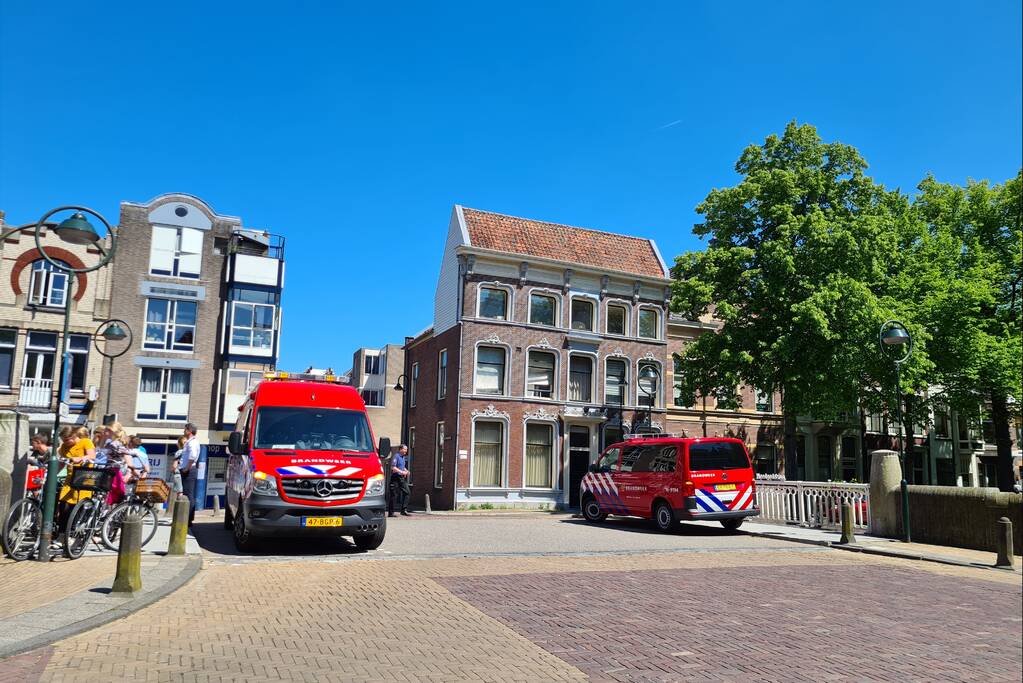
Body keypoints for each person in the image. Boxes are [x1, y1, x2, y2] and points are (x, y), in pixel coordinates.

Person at [178, 423, 201, 526]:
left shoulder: (192, 442)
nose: (183, 431)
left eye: (185, 429)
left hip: (189, 470)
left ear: (189, 431)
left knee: (188, 495)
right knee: (188, 494)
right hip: (188, 469)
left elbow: (193, 456)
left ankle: (188, 519)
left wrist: (187, 468)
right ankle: (188, 518)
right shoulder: (190, 441)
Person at [388, 444, 411, 517]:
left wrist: (406, 470)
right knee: (394, 495)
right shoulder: (396, 456)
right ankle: (391, 513)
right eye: (405, 449)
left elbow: (402, 467)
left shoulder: (403, 457)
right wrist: (402, 472)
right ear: (400, 449)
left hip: (401, 478)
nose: (406, 451)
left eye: (406, 450)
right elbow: (393, 467)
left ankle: (403, 510)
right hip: (395, 477)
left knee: (407, 492)